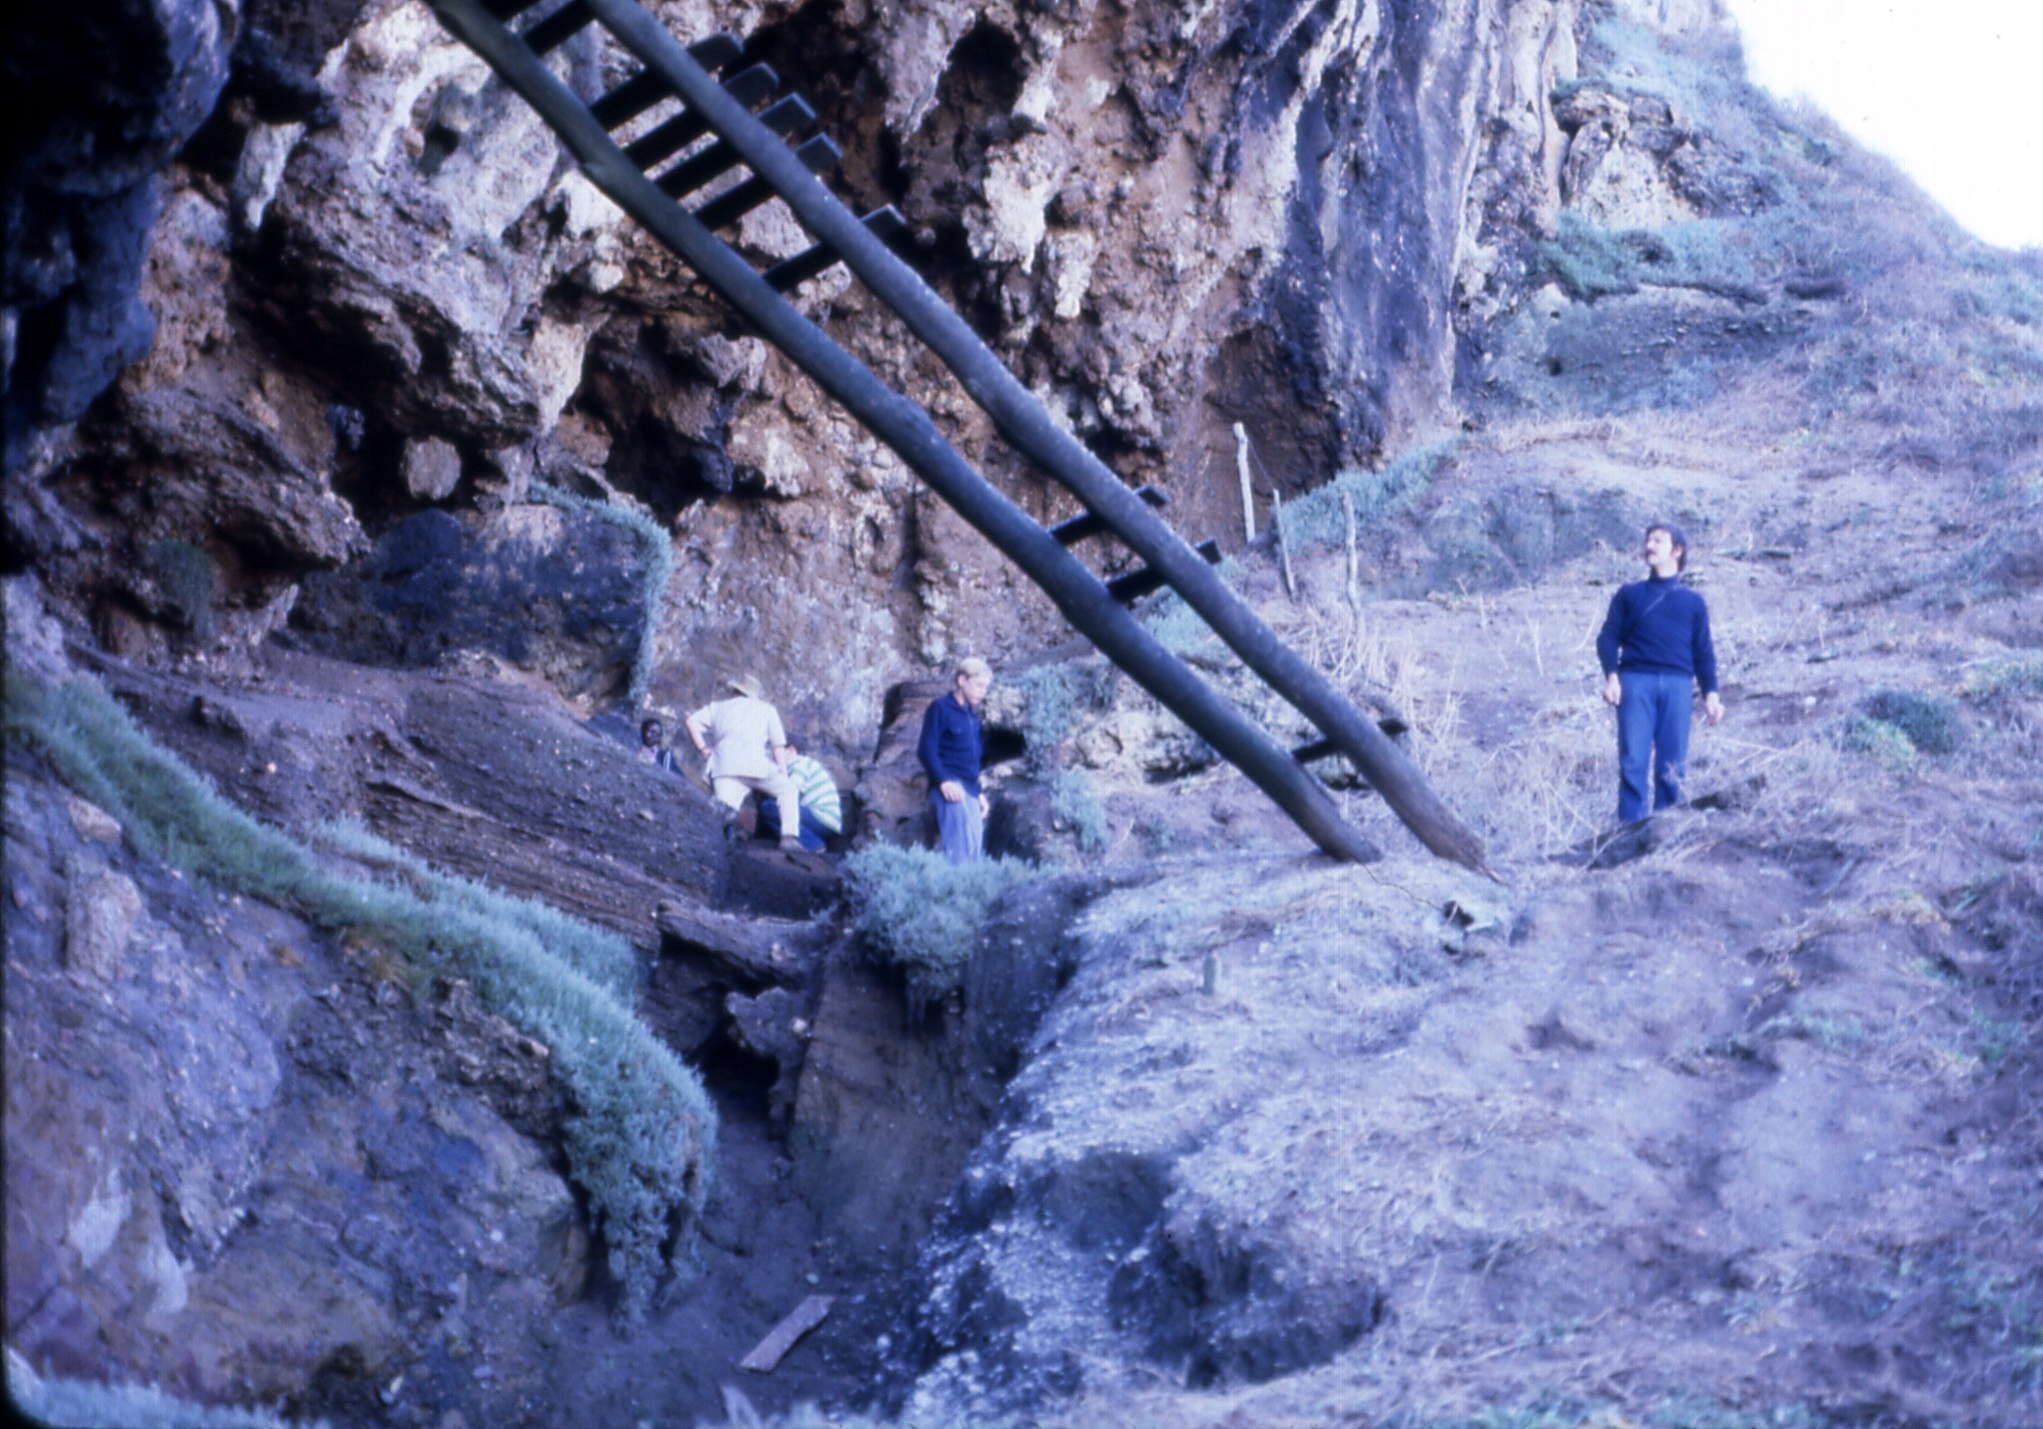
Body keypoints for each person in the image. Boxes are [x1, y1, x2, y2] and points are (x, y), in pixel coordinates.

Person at [1596, 523, 1724, 824]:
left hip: (1679, 687)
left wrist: (1712, 696)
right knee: (1633, 764)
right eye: (1647, 539)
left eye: (1658, 540)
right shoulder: (1629, 595)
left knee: (1672, 768)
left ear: (1677, 550)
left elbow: (1703, 653)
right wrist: (1612, 677)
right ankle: (1629, 838)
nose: (1649, 545)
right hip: (1635, 683)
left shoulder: (1693, 602)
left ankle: (1663, 838)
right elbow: (1607, 638)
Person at [685, 675, 803, 851]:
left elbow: (690, 721)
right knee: (788, 790)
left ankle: (722, 845)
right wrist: (784, 774)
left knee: (724, 811)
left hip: (724, 767)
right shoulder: (766, 709)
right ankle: (788, 839)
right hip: (754, 765)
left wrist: (704, 749)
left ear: (735, 691)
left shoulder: (718, 708)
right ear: (753, 694)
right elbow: (778, 746)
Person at [917, 656, 993, 864]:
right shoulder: (940, 708)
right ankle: (953, 893)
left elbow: (973, 760)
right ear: (962, 680)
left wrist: (978, 793)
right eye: (978, 685)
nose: (982, 691)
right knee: (959, 854)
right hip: (950, 788)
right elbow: (925, 750)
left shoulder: (972, 716)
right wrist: (943, 781)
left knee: (974, 851)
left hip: (969, 790)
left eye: (985, 687)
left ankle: (970, 894)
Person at [758, 738, 842, 852]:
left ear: (791, 750)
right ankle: (814, 840)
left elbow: (789, 791)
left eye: (777, 754)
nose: (776, 759)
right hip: (827, 822)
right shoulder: (804, 765)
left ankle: (811, 844)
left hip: (822, 817)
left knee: (769, 807)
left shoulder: (800, 764)